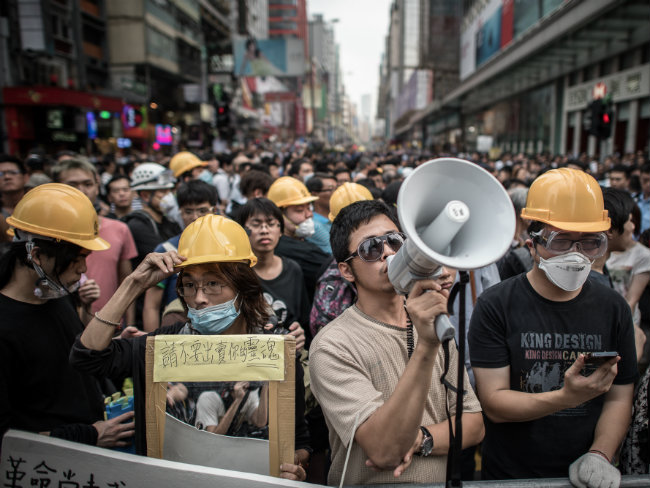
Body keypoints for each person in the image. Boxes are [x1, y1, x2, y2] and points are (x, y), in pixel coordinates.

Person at [69, 215, 311, 481]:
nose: (199, 299)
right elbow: (87, 357)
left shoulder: (275, 349)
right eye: (189, 286)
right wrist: (133, 284)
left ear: (244, 286)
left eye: (213, 283)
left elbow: (298, 438)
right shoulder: (164, 345)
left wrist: (293, 466)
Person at [468, 168, 638, 483]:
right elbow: (494, 403)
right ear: (532, 246)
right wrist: (566, 397)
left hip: (587, 475)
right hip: (510, 476)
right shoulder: (496, 306)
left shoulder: (613, 307)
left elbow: (619, 395)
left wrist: (600, 454)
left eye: (590, 243)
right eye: (561, 241)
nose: (576, 255)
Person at [309, 200, 484, 485]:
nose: (388, 252)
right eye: (370, 249)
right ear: (346, 271)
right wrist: (427, 346)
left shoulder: (431, 322)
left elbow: (474, 424)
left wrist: (420, 439)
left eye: (394, 241)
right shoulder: (332, 346)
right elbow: (384, 450)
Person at [0, 184, 134, 452]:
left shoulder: (55, 293)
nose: (83, 268)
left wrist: (113, 345)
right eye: (75, 258)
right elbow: (7, 439)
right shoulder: (5, 327)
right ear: (36, 255)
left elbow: (70, 355)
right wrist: (85, 436)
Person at [52, 158, 137, 323]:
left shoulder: (120, 229)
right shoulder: (46, 234)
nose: (81, 191)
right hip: (63, 325)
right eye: (73, 185)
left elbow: (127, 283)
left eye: (88, 184)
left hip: (109, 325)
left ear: (97, 188)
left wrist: (129, 325)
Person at [142, 180, 218, 332]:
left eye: (202, 210)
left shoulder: (227, 247)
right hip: (176, 333)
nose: (195, 217)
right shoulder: (166, 251)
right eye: (188, 211)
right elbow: (151, 306)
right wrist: (151, 344)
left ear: (214, 211)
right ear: (180, 212)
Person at [235, 197, 307, 352]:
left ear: (281, 231)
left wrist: (299, 334)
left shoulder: (293, 269)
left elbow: (301, 320)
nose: (264, 230)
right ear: (242, 231)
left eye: (271, 224)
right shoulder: (235, 273)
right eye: (256, 224)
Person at [267, 177, 329, 302]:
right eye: (300, 210)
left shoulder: (301, 240)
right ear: (279, 215)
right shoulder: (293, 250)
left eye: (309, 208)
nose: (309, 215)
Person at [305, 173, 337, 254]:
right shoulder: (313, 225)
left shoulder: (336, 218)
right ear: (314, 195)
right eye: (331, 189)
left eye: (337, 189)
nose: (337, 193)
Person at [0, 154, 28, 219]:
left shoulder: (38, 205)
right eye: (0, 174)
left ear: (25, 177)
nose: (7, 177)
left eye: (13, 172)